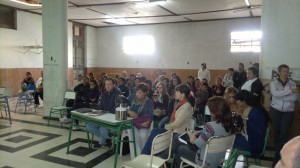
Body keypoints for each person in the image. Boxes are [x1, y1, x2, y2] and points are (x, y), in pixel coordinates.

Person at [176, 96, 233, 168]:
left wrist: (192, 136)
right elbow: (215, 132)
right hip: (219, 159)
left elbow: (197, 144)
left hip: (205, 161)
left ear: (214, 111)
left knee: (180, 148)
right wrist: (201, 132)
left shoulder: (209, 126)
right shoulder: (229, 124)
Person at [141, 84, 194, 156]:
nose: (175, 93)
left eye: (177, 92)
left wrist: (167, 126)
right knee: (155, 131)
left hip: (178, 132)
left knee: (155, 132)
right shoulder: (181, 103)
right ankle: (148, 154)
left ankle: (145, 155)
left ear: (182, 94)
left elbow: (177, 123)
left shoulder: (186, 106)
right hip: (174, 130)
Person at [270, 64, 300, 166]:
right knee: (277, 131)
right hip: (275, 110)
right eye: (284, 71)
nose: (286, 73)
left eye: (287, 71)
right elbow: (275, 94)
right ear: (279, 72)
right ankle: (278, 151)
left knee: (284, 131)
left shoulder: (293, 84)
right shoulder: (274, 83)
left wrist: (282, 95)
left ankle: (279, 155)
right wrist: (289, 92)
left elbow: (293, 99)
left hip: (288, 111)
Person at [233, 90, 270, 158]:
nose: (236, 102)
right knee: (231, 138)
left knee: (228, 142)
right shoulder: (250, 109)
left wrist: (245, 119)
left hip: (254, 145)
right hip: (250, 139)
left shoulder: (255, 112)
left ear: (243, 101)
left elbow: (258, 131)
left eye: (238, 100)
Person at [86, 78, 121, 148]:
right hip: (103, 117)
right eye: (106, 84)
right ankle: (107, 139)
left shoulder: (118, 94)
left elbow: (117, 109)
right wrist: (96, 110)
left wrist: (106, 113)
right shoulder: (104, 94)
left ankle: (102, 141)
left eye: (109, 84)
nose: (107, 86)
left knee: (103, 130)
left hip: (112, 118)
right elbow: (101, 106)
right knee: (89, 126)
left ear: (114, 85)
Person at [127, 83, 154, 154]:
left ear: (145, 93)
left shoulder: (149, 102)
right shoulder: (132, 99)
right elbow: (129, 112)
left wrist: (132, 113)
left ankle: (143, 155)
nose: (137, 94)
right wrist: (130, 112)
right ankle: (136, 157)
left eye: (140, 92)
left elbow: (149, 117)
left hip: (143, 123)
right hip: (132, 123)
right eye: (136, 92)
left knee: (143, 136)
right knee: (133, 136)